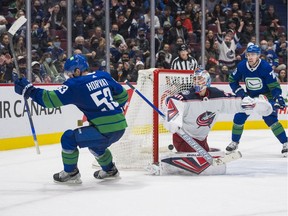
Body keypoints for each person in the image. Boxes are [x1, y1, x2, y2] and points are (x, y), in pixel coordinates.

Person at [14, 54, 129, 183]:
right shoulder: (103, 75)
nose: (69, 77)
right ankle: (110, 170)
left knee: (68, 138)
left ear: (77, 71)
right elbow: (123, 96)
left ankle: (71, 173)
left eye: (69, 73)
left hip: (104, 130)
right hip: (120, 126)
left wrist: (29, 90)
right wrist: (110, 111)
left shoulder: (75, 84)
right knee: (97, 145)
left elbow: (49, 100)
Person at [163, 68, 272, 153]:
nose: (197, 82)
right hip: (184, 138)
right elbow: (170, 100)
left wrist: (253, 104)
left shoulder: (216, 95)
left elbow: (233, 102)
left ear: (207, 81)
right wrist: (173, 119)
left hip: (201, 139)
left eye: (200, 79)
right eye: (195, 79)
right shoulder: (187, 96)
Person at [226, 44, 287, 157]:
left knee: (270, 119)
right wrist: (242, 94)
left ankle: (286, 143)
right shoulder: (242, 66)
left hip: (266, 96)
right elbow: (232, 80)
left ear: (258, 55)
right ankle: (234, 142)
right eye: (248, 54)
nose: (250, 57)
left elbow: (273, 85)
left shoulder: (265, 67)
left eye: (253, 55)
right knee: (239, 117)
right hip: (250, 96)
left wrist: (277, 97)